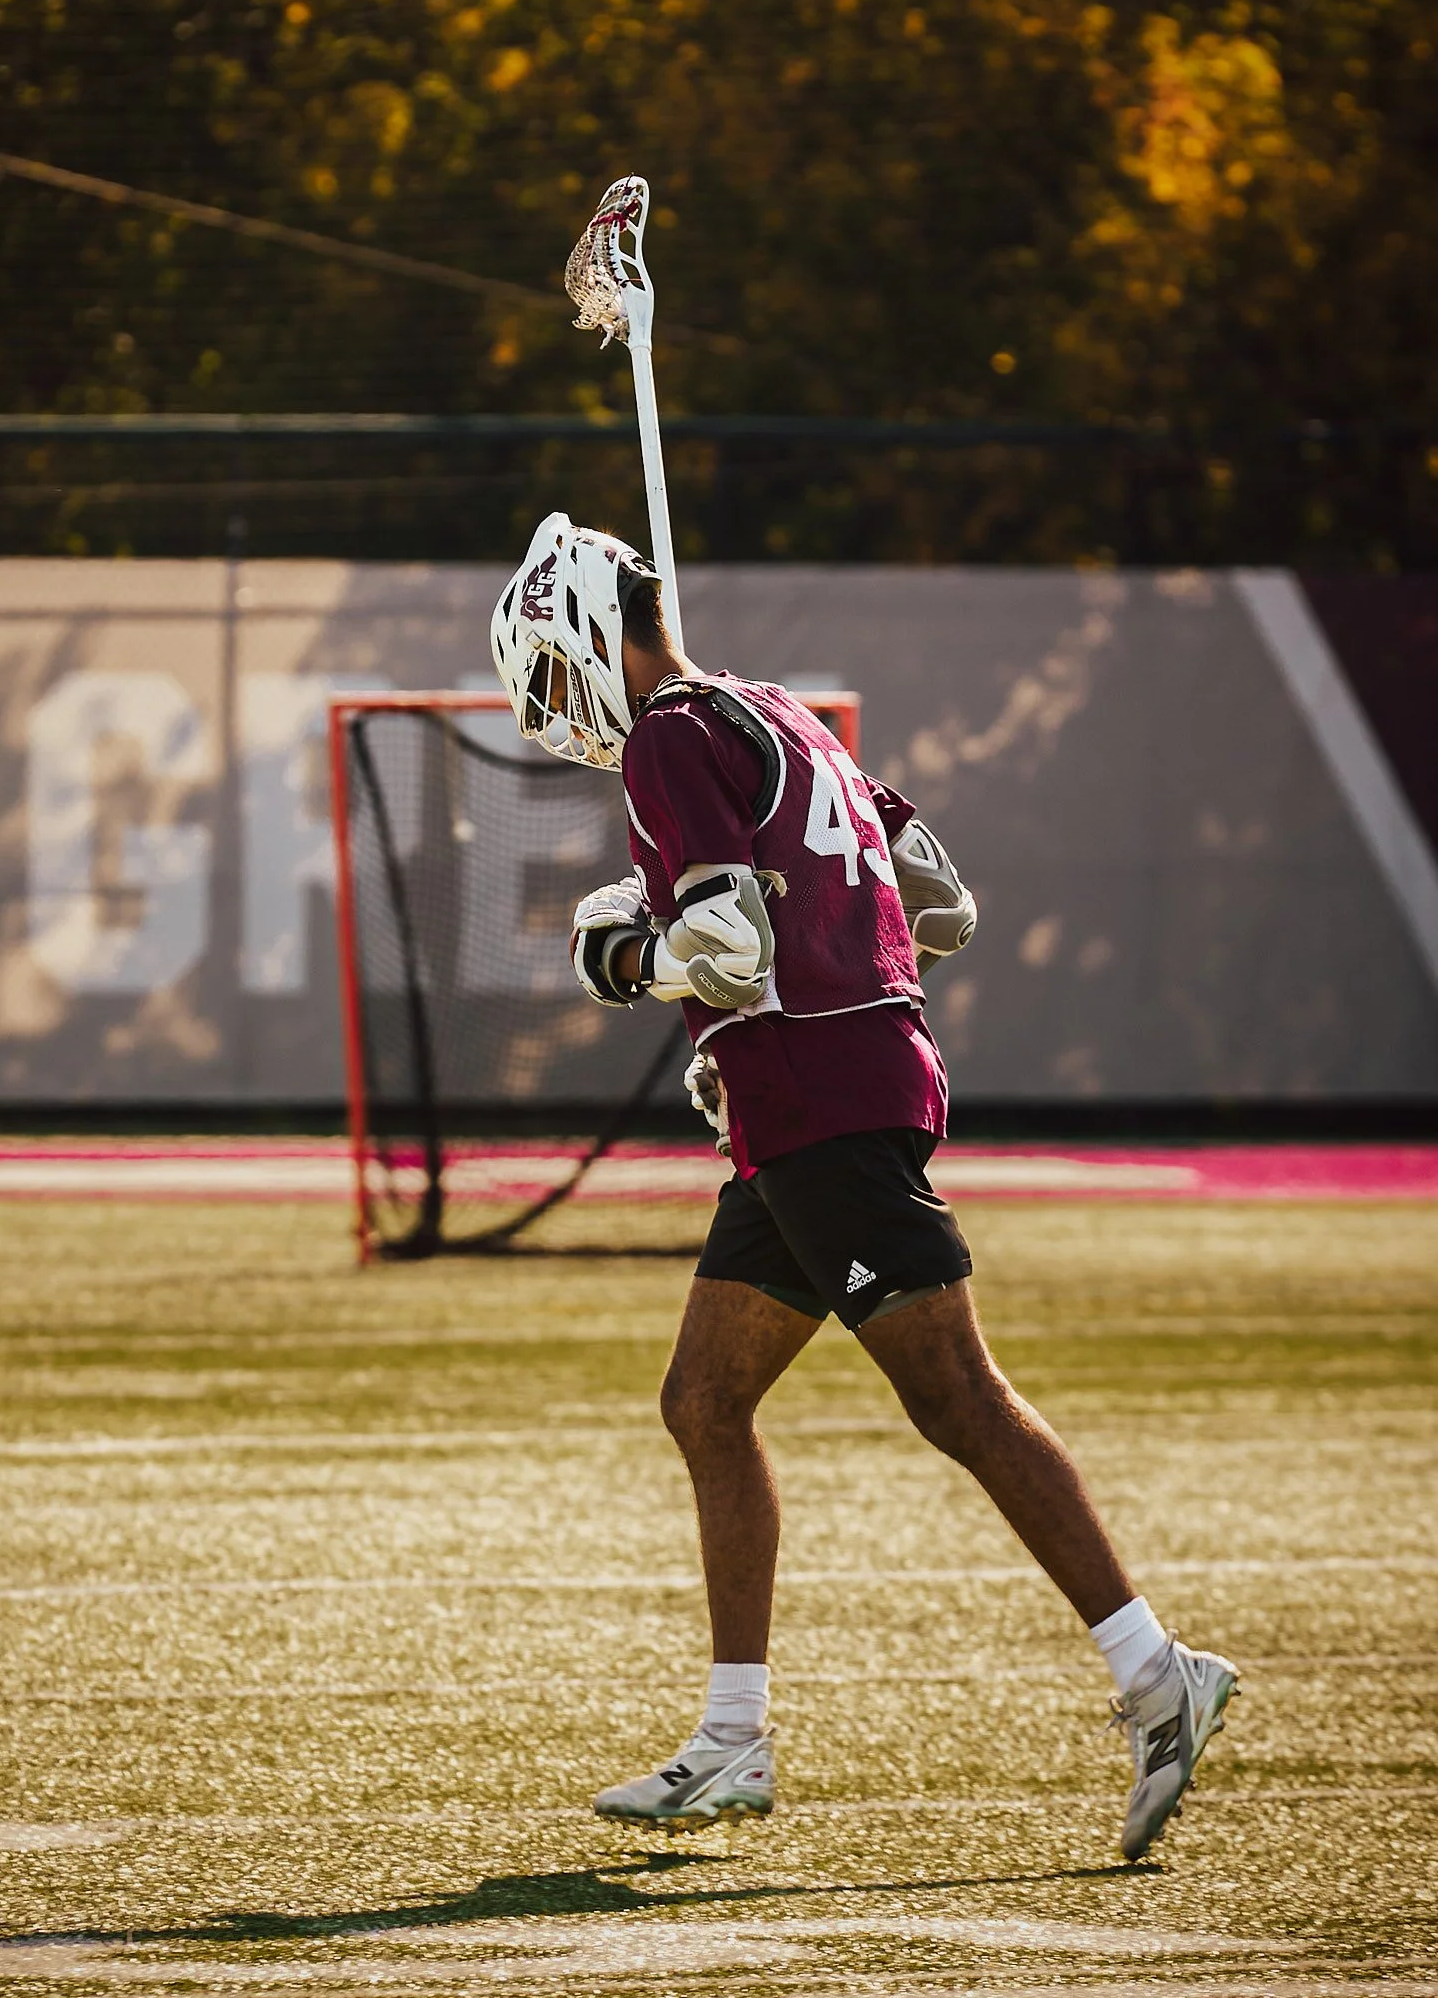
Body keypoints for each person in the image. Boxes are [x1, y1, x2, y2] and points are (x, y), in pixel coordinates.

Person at [489, 512, 1239, 1862]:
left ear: (596, 630)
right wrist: (764, 1002)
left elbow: (720, 944)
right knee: (704, 1401)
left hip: (821, 1110)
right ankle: (731, 1738)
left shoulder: (671, 733)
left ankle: (1152, 1669)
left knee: (954, 1398)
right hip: (817, 1101)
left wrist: (623, 958)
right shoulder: (779, 714)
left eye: (551, 667)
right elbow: (934, 906)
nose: (555, 705)